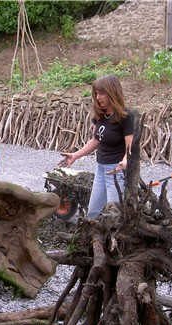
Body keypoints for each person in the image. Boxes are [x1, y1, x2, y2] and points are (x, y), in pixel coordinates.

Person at [59, 75, 134, 219]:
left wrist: (125, 161)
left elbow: (130, 147)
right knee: (93, 213)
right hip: (100, 169)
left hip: (115, 172)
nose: (98, 97)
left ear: (113, 93)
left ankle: (114, 241)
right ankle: (94, 240)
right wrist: (75, 155)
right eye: (96, 94)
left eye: (102, 93)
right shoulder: (101, 115)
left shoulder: (125, 116)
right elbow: (95, 140)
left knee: (114, 215)